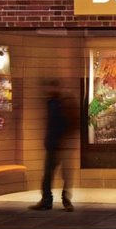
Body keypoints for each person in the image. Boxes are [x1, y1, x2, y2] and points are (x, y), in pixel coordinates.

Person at [30, 80, 74, 212]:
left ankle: (53, 200)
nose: (47, 90)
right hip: (56, 144)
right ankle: (54, 200)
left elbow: (67, 123)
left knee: (55, 174)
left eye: (50, 87)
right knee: (52, 174)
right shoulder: (52, 103)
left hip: (59, 144)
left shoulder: (61, 103)